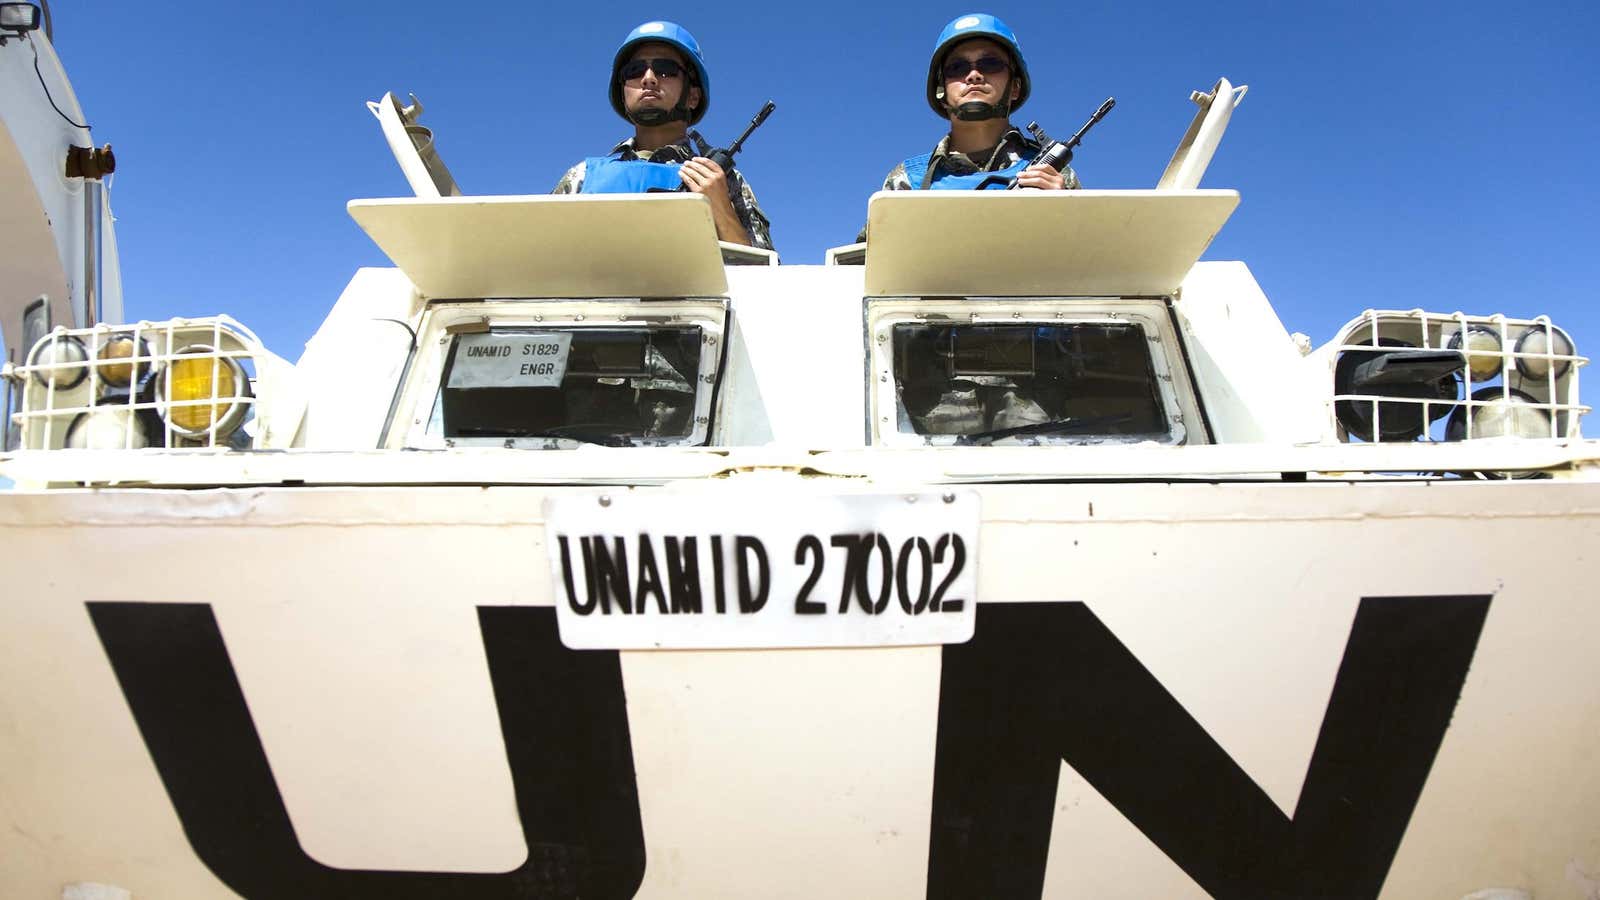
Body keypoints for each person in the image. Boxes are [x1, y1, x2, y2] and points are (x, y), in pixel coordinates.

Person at [552, 21, 772, 250]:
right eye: (634, 71)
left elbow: (768, 278)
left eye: (666, 69)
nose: (648, 78)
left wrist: (722, 211)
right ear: (622, 92)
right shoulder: (582, 177)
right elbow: (537, 262)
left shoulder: (722, 179)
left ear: (693, 97)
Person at [875, 13, 1080, 194]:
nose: (974, 75)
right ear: (941, 90)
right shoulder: (908, 181)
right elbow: (875, 239)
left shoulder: (1052, 174)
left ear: (1015, 87)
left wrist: (1065, 211)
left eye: (990, 64)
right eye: (957, 67)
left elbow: (1095, 238)